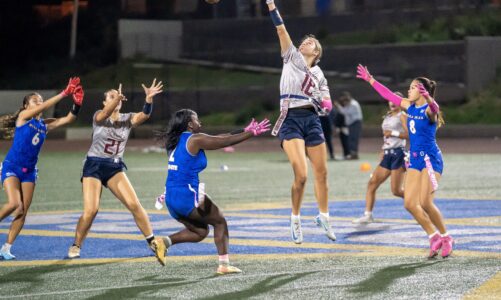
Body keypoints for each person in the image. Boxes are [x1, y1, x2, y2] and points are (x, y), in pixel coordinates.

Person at [155, 109, 270, 274]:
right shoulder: (195, 139)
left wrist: (244, 130)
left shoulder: (175, 141)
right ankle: (224, 265)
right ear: (189, 124)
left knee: (200, 231)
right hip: (187, 195)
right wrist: (251, 133)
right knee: (220, 221)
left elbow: (219, 137)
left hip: (171, 197)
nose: (199, 123)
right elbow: (224, 142)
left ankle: (163, 242)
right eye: (197, 120)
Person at [357, 64, 453, 258]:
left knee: (425, 202)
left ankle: (446, 236)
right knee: (409, 203)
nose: (408, 90)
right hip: (415, 160)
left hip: (430, 160)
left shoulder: (428, 109)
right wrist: (370, 79)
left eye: (412, 87)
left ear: (422, 91)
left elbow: (435, 108)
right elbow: (388, 95)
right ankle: (433, 236)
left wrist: (428, 97)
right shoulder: (408, 106)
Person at [67, 79, 166, 263]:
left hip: (114, 166)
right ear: (105, 102)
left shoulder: (127, 118)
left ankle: (152, 241)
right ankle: (76, 244)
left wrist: (149, 99)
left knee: (134, 205)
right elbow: (105, 113)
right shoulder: (99, 115)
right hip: (94, 165)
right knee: (91, 210)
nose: (116, 98)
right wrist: (115, 99)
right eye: (111, 96)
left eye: (118, 97)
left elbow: (143, 116)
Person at [266, 0, 336, 244]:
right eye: (305, 40)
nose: (305, 42)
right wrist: (271, 5)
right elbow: (281, 29)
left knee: (322, 173)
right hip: (291, 119)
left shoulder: (319, 74)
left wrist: (322, 102)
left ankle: (323, 216)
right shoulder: (291, 56)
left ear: (316, 52)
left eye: (311, 42)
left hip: (311, 119)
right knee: (302, 175)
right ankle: (295, 218)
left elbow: (328, 105)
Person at [0, 78, 83, 260]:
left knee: (23, 211)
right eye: (35, 100)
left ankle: (6, 248)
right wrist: (63, 93)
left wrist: (77, 103)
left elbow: (69, 118)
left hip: (29, 171)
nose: (39, 102)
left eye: (40, 100)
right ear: (25, 106)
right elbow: (42, 107)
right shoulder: (23, 118)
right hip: (12, 166)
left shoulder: (44, 125)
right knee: (14, 204)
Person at [352, 93, 408, 224]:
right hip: (388, 154)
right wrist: (383, 149)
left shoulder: (403, 116)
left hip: (398, 154)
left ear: (401, 102)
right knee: (372, 183)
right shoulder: (388, 116)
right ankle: (368, 215)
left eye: (395, 100)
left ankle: (420, 202)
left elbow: (410, 135)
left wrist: (393, 133)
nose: (392, 102)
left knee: (396, 191)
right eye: (390, 100)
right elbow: (386, 137)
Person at [334, 92, 363, 160]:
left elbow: (345, 112)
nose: (343, 102)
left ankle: (353, 154)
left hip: (355, 123)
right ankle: (352, 154)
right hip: (352, 123)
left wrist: (338, 106)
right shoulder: (350, 104)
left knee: (353, 138)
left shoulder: (353, 104)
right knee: (351, 138)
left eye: (344, 100)